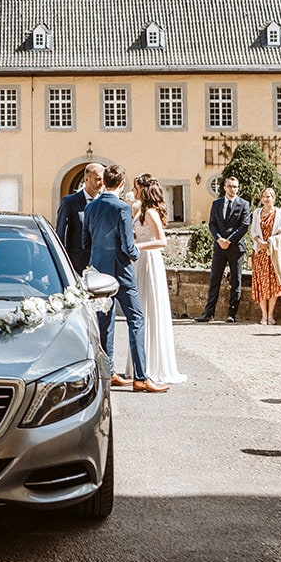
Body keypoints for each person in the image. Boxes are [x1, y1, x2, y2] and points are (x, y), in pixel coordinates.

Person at [84, 165, 165, 392]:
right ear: (121, 184)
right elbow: (130, 248)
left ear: (105, 182)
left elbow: (85, 243)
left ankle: (107, 373)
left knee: (104, 322)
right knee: (136, 320)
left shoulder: (90, 207)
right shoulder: (122, 208)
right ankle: (141, 377)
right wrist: (137, 253)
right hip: (122, 272)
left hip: (99, 272)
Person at [134, 176, 186, 384]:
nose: (134, 190)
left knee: (150, 308)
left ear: (144, 190)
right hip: (139, 262)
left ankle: (154, 365)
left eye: (136, 187)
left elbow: (161, 241)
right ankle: (140, 363)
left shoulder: (151, 212)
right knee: (141, 309)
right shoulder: (139, 211)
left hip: (149, 261)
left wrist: (138, 247)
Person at [195, 174, 252, 323]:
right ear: (224, 187)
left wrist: (229, 240)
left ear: (238, 188)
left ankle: (231, 314)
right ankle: (208, 313)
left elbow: (244, 226)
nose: (232, 189)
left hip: (236, 248)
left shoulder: (244, 204)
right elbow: (212, 224)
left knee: (236, 281)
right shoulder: (217, 203)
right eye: (230, 186)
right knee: (214, 280)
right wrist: (219, 239)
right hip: (219, 247)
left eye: (235, 187)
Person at [250, 186, 281, 325]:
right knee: (261, 283)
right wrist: (259, 241)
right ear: (261, 199)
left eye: (269, 196)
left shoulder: (279, 213)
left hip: (273, 252)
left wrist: (270, 242)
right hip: (260, 252)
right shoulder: (256, 213)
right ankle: (263, 315)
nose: (267, 199)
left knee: (273, 283)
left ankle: (271, 315)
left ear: (274, 198)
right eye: (264, 196)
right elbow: (253, 231)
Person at [54, 162, 104, 272]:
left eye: (103, 180)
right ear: (86, 179)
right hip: (77, 264)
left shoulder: (104, 203)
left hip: (101, 263)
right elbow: (61, 234)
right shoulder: (69, 202)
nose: (102, 183)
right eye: (98, 179)